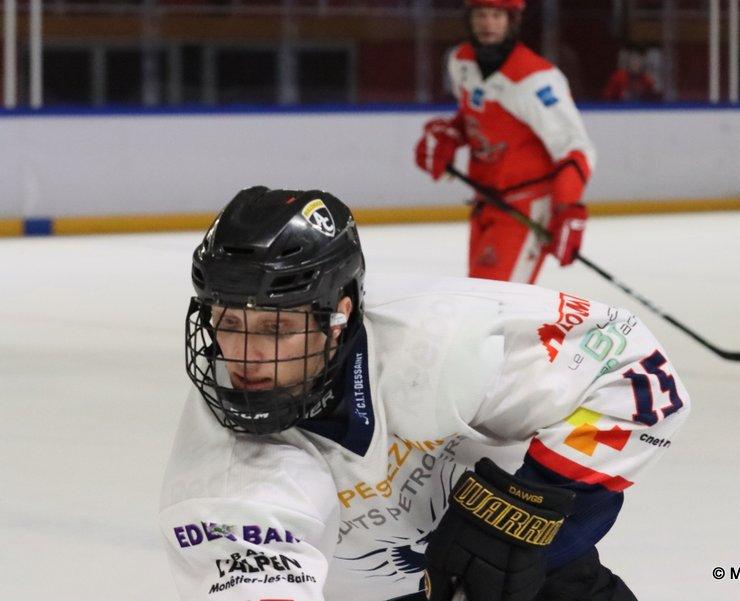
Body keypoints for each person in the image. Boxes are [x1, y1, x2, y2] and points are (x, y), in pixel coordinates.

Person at [160, 186, 691, 601]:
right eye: (227, 322)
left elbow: (632, 372)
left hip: (539, 581)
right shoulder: (225, 469)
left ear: (339, 316)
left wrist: (520, 522)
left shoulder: (443, 339)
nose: (243, 355)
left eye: (276, 330)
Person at [415, 0, 596, 284]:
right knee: (484, 298)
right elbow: (476, 118)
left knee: (493, 305)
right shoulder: (461, 62)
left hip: (525, 209)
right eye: (481, 15)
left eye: (496, 15)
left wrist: (567, 208)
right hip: (486, 203)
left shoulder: (536, 80)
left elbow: (576, 148)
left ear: (511, 21)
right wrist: (450, 135)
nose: (488, 23)